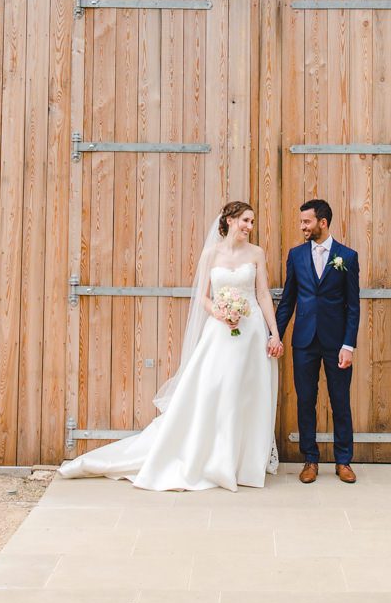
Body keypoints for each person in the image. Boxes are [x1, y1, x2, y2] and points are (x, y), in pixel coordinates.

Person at [57, 200, 281, 491]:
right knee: (216, 391)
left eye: (252, 222)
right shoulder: (210, 254)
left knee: (248, 393)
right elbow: (202, 296)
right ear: (229, 220)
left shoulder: (256, 254)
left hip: (251, 332)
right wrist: (221, 313)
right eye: (245, 221)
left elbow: (262, 294)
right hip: (220, 331)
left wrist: (273, 334)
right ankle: (214, 459)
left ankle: (244, 463)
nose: (249, 228)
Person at [276, 198, 361, 483]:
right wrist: (274, 334)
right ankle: (310, 460)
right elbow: (288, 301)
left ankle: (344, 461)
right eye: (301, 222)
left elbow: (353, 306)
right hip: (304, 342)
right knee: (306, 401)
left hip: (336, 343)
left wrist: (348, 345)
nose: (302, 227)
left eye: (306, 222)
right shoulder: (296, 255)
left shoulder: (347, 257)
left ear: (322, 223)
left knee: (340, 401)